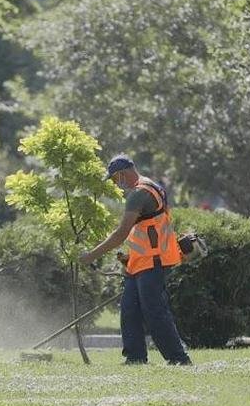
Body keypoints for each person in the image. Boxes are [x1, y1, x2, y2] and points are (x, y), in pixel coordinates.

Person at [79, 155, 192, 366]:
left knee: (154, 310)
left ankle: (178, 358)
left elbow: (121, 233)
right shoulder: (148, 187)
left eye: (114, 179)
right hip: (140, 261)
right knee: (130, 308)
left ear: (122, 173)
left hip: (154, 260)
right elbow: (145, 229)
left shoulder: (139, 193)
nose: (115, 184)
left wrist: (90, 256)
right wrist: (129, 257)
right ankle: (135, 357)